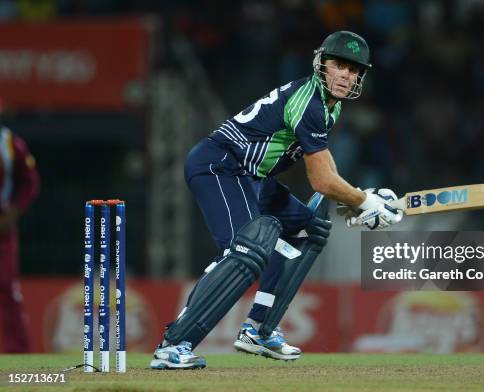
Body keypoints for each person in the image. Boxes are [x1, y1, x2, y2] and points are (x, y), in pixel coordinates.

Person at [150, 31, 403, 370]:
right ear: (322, 64)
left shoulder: (331, 105)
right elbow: (321, 179)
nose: (347, 75)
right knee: (246, 248)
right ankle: (174, 344)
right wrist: (363, 200)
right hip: (221, 165)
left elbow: (326, 166)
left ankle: (259, 329)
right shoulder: (309, 101)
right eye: (340, 65)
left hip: (253, 177)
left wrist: (355, 201)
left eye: (355, 69)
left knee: (310, 229)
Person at [0, 103, 40, 353]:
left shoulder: (10, 144)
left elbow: (30, 183)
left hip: (2, 228)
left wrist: (13, 213)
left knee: (7, 289)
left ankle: (20, 353)